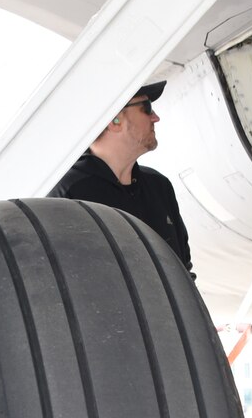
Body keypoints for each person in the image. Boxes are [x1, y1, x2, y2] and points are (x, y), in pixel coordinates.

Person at [49, 81, 196, 278]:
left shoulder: (159, 186)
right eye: (146, 108)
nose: (155, 117)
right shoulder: (68, 196)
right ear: (115, 121)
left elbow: (183, 271)